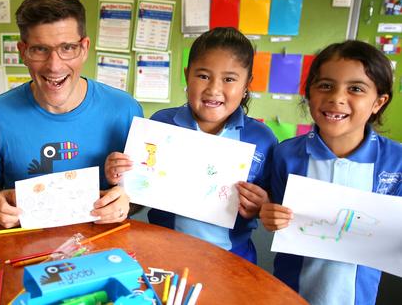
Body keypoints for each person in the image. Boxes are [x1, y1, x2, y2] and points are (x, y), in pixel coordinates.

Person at [105, 27, 277, 263]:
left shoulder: (262, 140)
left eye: (229, 79)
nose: (214, 89)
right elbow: (134, 197)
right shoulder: (160, 124)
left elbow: (272, 208)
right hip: (163, 255)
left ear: (247, 83)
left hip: (231, 262)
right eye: (203, 76)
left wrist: (262, 205)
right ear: (187, 75)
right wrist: (121, 177)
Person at [0, 0, 143, 228]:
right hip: (21, 248)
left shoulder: (125, 110)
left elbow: (139, 192)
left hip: (105, 250)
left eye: (67, 48)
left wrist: (128, 200)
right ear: (23, 52)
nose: (54, 66)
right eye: (40, 49)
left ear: (84, 48)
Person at [260, 40, 400, 305]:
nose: (336, 98)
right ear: (309, 93)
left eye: (356, 89)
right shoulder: (286, 155)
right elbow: (276, 215)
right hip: (289, 293)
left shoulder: (396, 162)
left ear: (378, 102)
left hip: (358, 297)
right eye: (325, 85)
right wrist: (269, 214)